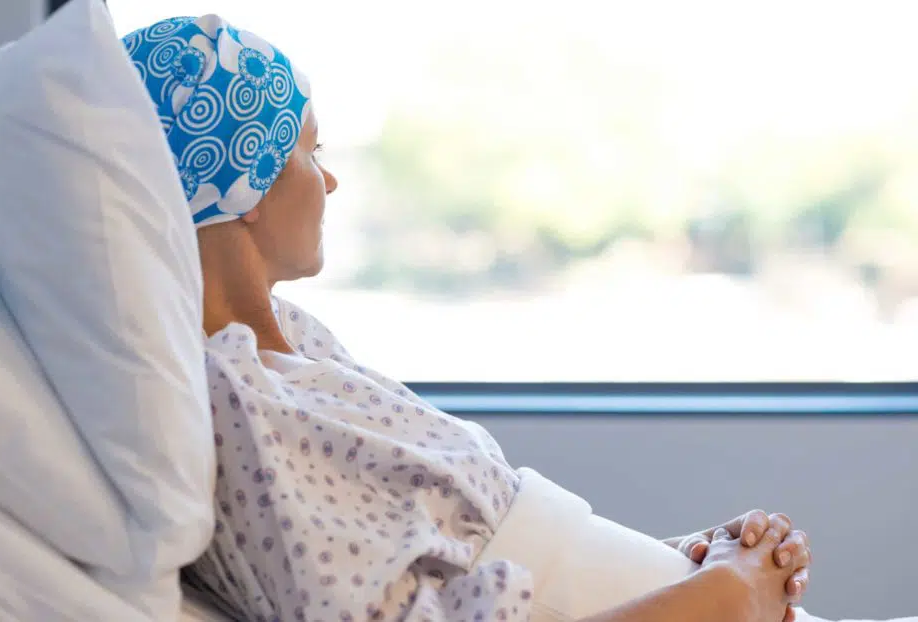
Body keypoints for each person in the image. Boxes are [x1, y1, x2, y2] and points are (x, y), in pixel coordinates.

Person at [122, 16, 911, 622]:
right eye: (308, 150)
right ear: (247, 180)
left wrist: (692, 560)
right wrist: (723, 598)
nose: (328, 181)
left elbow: (474, 551)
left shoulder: (296, 348)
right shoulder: (236, 404)